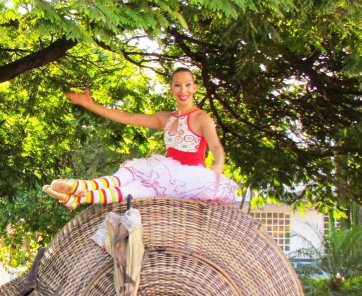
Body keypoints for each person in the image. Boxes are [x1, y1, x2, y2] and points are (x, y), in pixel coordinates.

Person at [43, 67, 238, 209]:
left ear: (195, 88)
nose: (183, 90)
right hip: (163, 174)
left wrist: (218, 166)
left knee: (135, 182)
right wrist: (91, 105)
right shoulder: (166, 118)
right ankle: (80, 195)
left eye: (187, 85)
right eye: (178, 85)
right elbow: (128, 118)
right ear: (171, 89)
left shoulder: (201, 118)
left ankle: (79, 192)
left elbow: (217, 147)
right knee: (128, 180)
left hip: (188, 180)